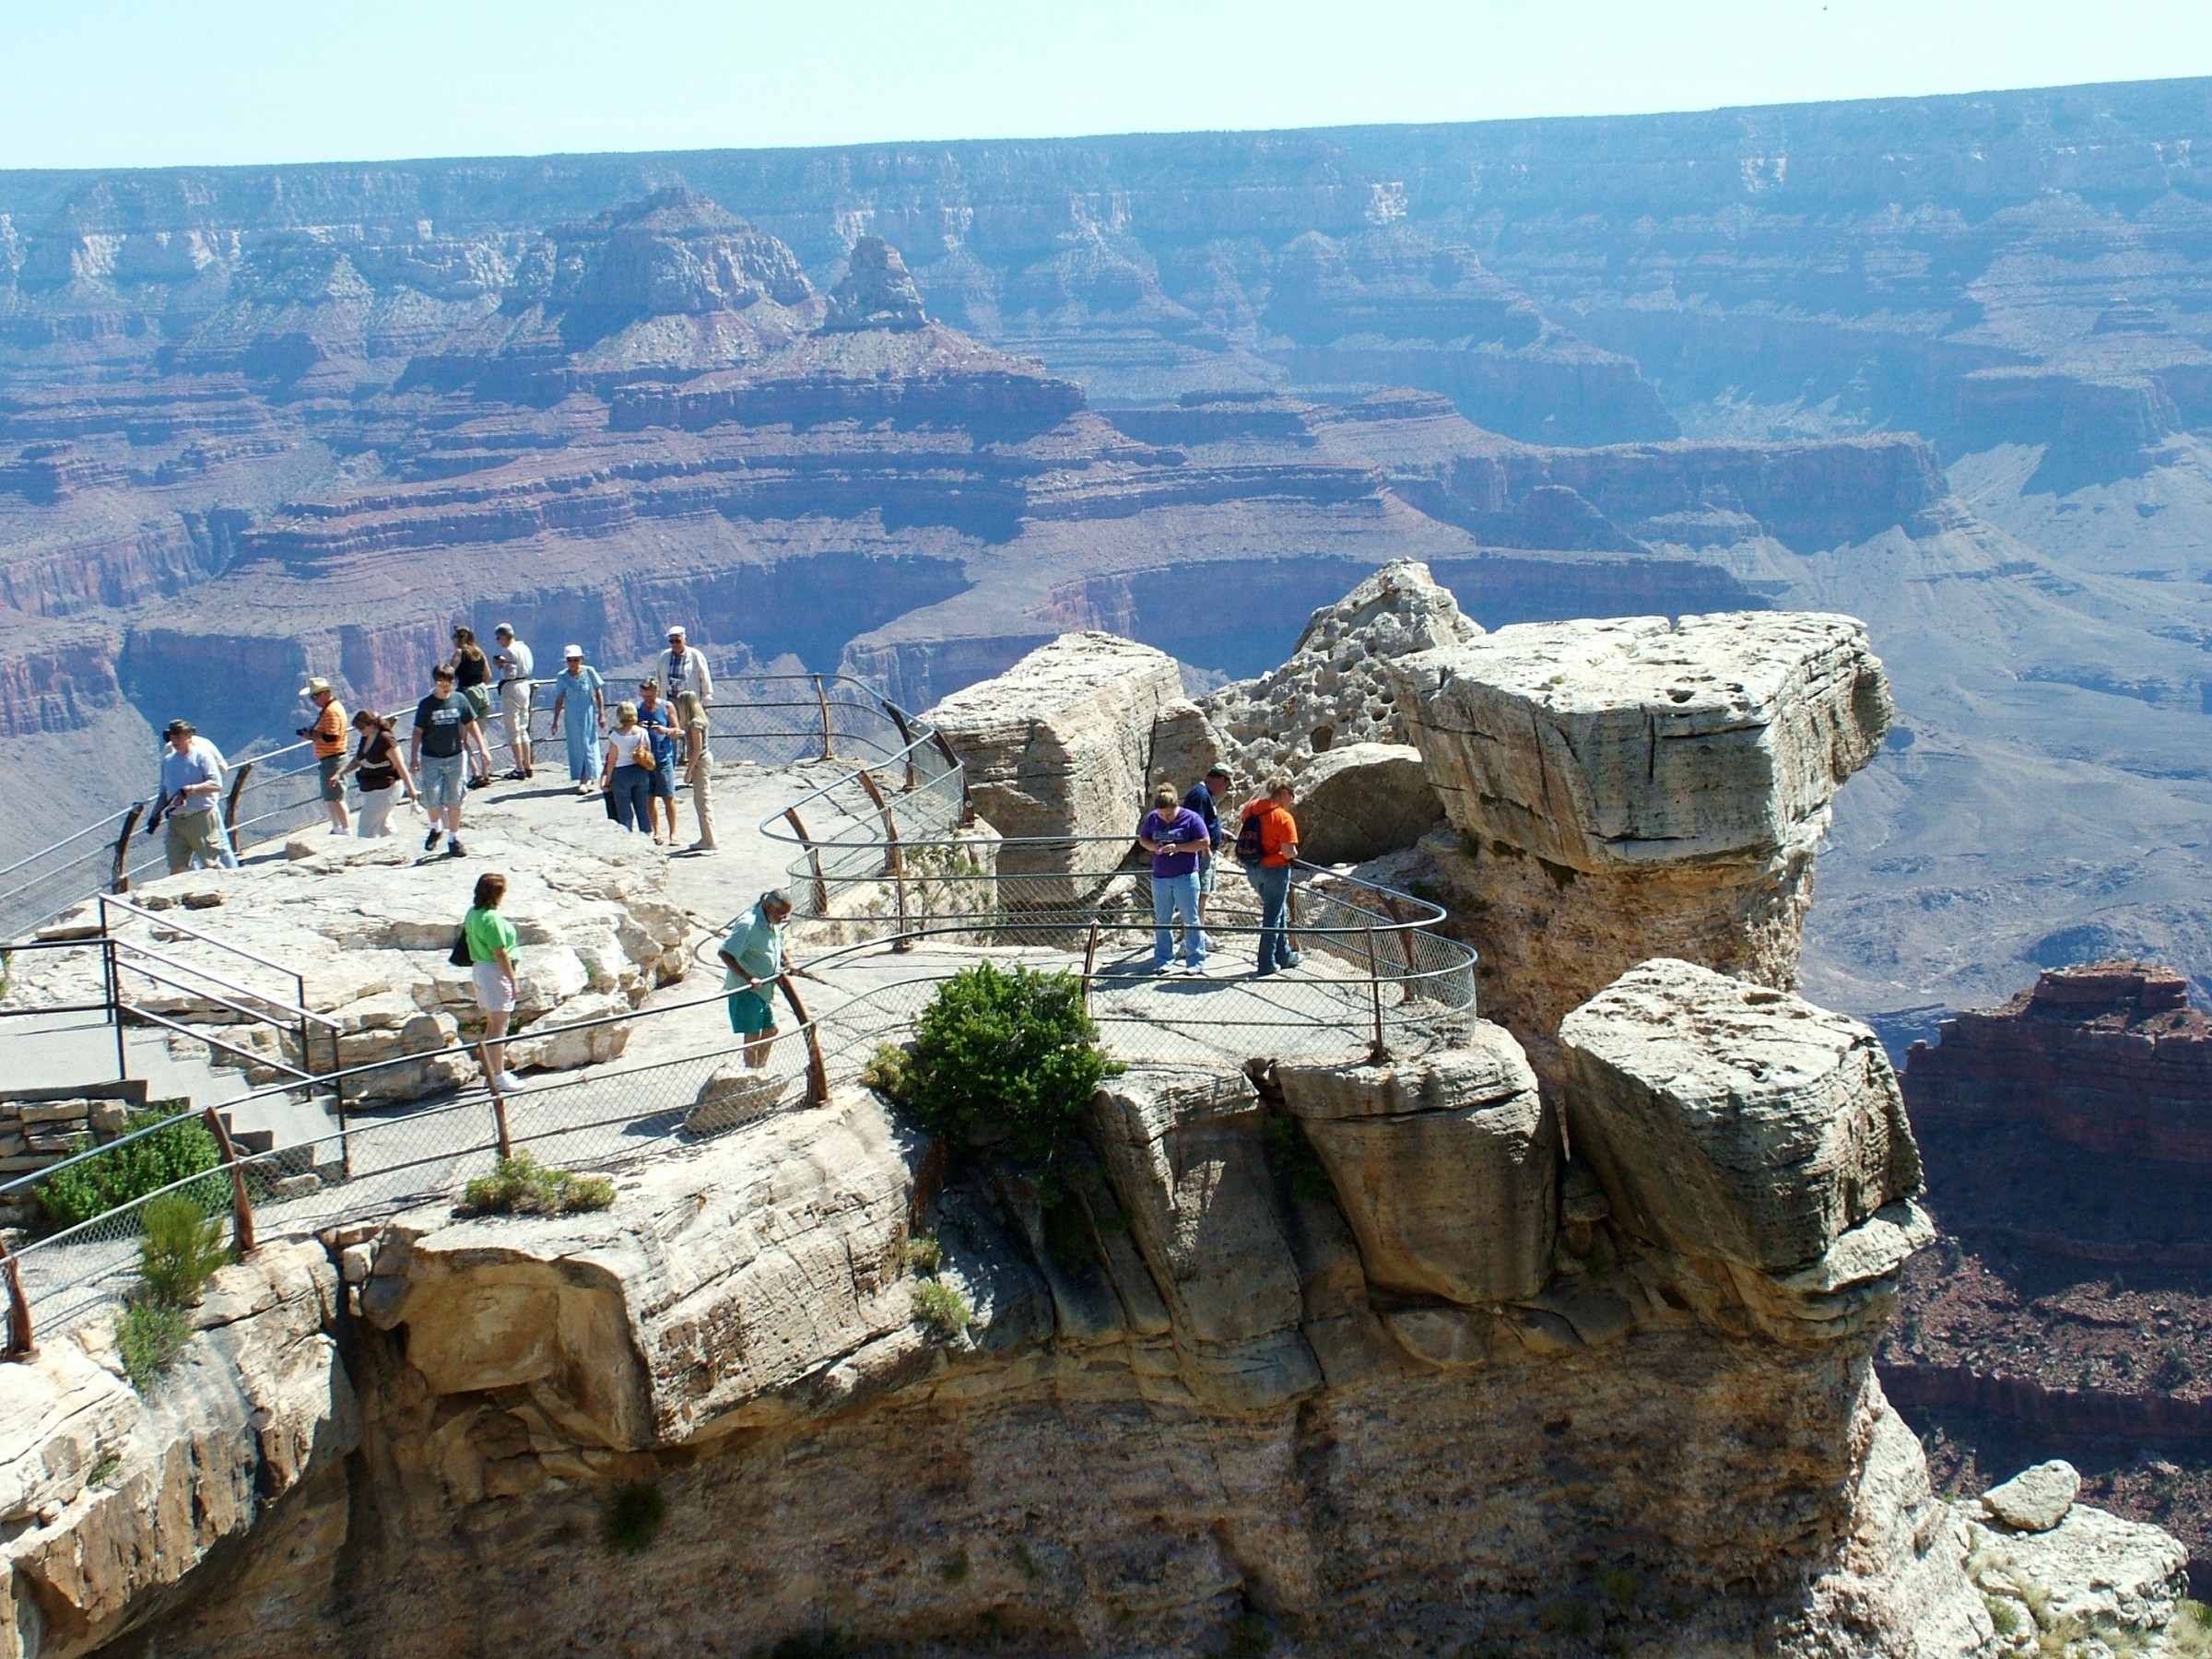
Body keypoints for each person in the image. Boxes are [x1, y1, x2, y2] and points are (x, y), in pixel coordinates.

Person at [410, 665, 488, 858]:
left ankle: (454, 839)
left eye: (450, 682)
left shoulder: (459, 700)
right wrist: (413, 757)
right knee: (433, 798)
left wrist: (483, 748)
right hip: (431, 758)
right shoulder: (426, 705)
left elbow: (471, 724)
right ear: (435, 682)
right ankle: (436, 828)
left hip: (455, 757)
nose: (446, 687)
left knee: (456, 798)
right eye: (442, 683)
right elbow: (418, 732)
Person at [1137, 783, 1210, 975]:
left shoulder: (1191, 818)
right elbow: (1143, 839)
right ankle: (1163, 959)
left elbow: (1204, 842)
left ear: (1176, 806)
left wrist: (1177, 848)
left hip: (1185, 876)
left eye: (1169, 815)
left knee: (1190, 918)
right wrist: (1154, 847)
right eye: (1162, 815)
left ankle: (1195, 960)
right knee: (1162, 919)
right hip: (1160, 877)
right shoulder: (1153, 818)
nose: (1165, 819)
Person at [463, 871, 524, 1095]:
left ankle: (491, 1072)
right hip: (495, 973)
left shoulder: (473, 913)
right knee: (500, 1028)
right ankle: (498, 1077)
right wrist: (512, 980)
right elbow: (500, 953)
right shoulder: (491, 919)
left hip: (480, 968)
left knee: (492, 1025)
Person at [717, 888, 793, 1069]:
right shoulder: (748, 925)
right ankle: (751, 1073)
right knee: (752, 1034)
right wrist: (748, 978)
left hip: (763, 989)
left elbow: (777, 942)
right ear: (769, 906)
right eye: (781, 914)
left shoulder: (772, 921)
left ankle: (759, 1069)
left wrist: (788, 962)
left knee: (771, 1029)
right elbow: (725, 953)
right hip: (747, 989)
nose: (783, 918)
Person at [1242, 778, 1302, 976]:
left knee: (1277, 911)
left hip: (1252, 868)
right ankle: (1266, 962)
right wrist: (1295, 854)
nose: (1291, 801)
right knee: (1272, 916)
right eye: (1291, 796)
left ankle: (1283, 956)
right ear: (1284, 792)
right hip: (1275, 870)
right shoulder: (1283, 818)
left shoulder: (1251, 808)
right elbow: (1288, 852)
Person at [154, 719, 227, 874]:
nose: (175, 741)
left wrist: (192, 789)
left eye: (178, 737)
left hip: (200, 816)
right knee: (176, 866)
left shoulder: (202, 757)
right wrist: (156, 813)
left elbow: (216, 784)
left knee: (211, 863)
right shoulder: (168, 761)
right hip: (176, 819)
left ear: (189, 736)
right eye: (172, 737)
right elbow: (164, 791)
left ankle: (229, 886)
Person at [338, 709, 415, 838]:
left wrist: (411, 789)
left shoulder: (385, 740)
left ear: (370, 723)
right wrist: (340, 773)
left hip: (388, 789)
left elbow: (399, 765)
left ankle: (365, 852)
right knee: (384, 826)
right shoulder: (366, 738)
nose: (360, 731)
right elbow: (358, 760)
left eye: (361, 727)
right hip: (374, 789)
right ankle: (395, 849)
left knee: (366, 825)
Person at [547, 644, 606, 796]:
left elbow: (598, 691)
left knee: (588, 744)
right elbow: (560, 698)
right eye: (569, 660)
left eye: (575, 660)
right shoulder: (562, 677)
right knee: (576, 746)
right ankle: (584, 775)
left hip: (587, 715)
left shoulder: (589, 672)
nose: (573, 663)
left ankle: (585, 779)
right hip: (571, 718)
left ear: (581, 659)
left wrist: (601, 714)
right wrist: (555, 720)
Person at [296, 677, 351, 835]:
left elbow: (331, 736)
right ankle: (337, 827)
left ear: (325, 693)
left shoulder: (332, 711)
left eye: (315, 696)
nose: (313, 700)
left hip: (333, 758)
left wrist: (313, 735)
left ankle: (346, 829)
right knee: (330, 797)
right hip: (329, 758)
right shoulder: (329, 709)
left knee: (336, 797)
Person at [635, 679, 681, 845]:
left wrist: (665, 730)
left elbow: (678, 731)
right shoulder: (638, 709)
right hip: (645, 760)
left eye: (651, 696)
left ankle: (674, 833)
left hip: (663, 757)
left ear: (657, 692)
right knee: (650, 797)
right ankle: (657, 832)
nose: (647, 700)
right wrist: (638, 726)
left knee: (669, 796)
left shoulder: (667, 707)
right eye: (644, 696)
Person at [1183, 765, 1232, 922]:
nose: (1226, 789)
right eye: (1227, 785)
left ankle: (1196, 932)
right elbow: (1196, 823)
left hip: (1206, 850)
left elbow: (1205, 822)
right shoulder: (1200, 795)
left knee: (1203, 893)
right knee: (1199, 893)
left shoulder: (1204, 795)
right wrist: (1204, 847)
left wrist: (1219, 831)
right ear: (1221, 779)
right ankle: (1195, 934)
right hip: (1203, 852)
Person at [448, 626, 494, 787]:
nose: (452, 639)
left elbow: (448, 674)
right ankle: (486, 773)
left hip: (467, 695)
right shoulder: (479, 652)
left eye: (453, 636)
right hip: (482, 692)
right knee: (481, 734)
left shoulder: (460, 653)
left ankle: (475, 774)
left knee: (462, 737)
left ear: (459, 638)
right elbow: (488, 676)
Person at [600, 700, 655, 832]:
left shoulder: (615, 735)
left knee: (624, 812)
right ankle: (647, 834)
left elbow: (612, 760)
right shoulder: (642, 732)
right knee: (642, 809)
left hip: (621, 774)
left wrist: (607, 780)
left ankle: (627, 836)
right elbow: (648, 752)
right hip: (640, 772)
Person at [490, 624, 535, 781]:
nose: (498, 641)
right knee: (523, 727)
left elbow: (510, 673)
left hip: (512, 688)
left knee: (513, 729)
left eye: (498, 638)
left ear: (505, 636)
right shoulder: (524, 648)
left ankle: (519, 767)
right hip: (525, 686)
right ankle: (528, 765)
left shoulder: (508, 650)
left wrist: (500, 665)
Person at [676, 688, 716, 853]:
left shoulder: (695, 723)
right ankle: (705, 838)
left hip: (701, 762)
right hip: (701, 761)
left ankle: (712, 843)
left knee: (703, 801)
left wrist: (688, 772)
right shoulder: (697, 721)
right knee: (700, 802)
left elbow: (697, 749)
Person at [657, 625, 713, 709]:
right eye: (671, 641)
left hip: (689, 701)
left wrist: (706, 702)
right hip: (669, 701)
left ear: (685, 640)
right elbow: (658, 680)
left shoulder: (696, 656)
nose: (674, 644)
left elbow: (705, 679)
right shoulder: (664, 657)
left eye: (677, 641)